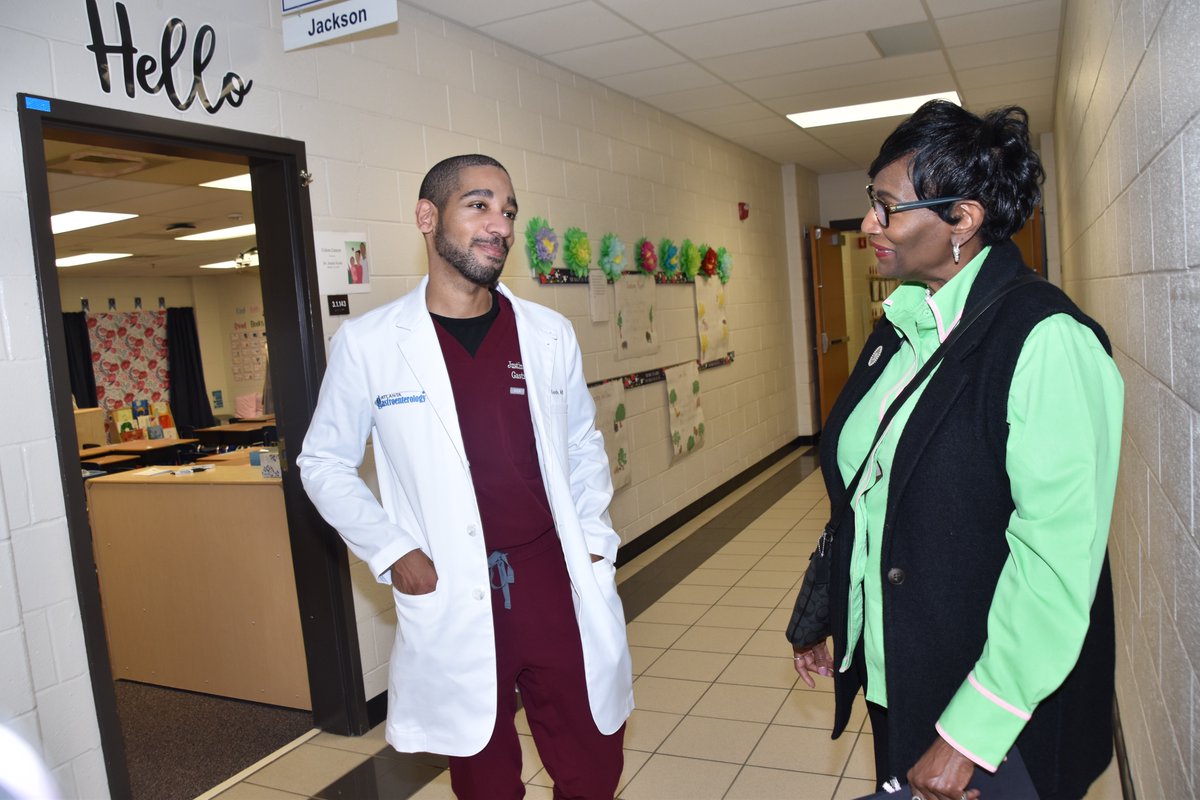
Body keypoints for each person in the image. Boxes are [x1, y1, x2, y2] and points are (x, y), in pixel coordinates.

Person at [789, 101, 1123, 800]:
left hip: (994, 716)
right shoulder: (902, 323)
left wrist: (970, 733)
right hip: (901, 673)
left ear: (963, 220)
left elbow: (1056, 564)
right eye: (869, 205)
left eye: (887, 208)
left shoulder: (1045, 339)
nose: (869, 227)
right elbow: (869, 488)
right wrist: (826, 608)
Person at [298, 154, 633, 799]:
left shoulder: (547, 334)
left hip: (553, 577)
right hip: (452, 582)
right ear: (429, 218)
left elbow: (583, 444)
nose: (499, 226)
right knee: (483, 777)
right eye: (478, 205)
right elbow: (322, 462)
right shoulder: (369, 344)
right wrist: (393, 552)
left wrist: (593, 539)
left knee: (592, 764)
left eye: (508, 211)